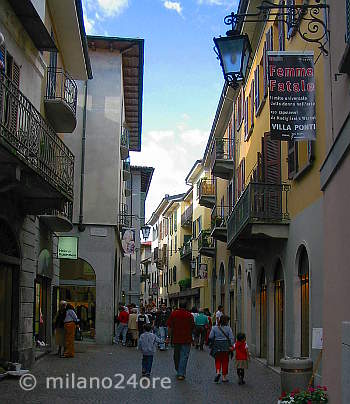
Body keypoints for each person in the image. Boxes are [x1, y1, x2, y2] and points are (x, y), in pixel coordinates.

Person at [167, 301, 195, 380]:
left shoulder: (174, 314)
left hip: (176, 338)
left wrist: (168, 336)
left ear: (179, 306)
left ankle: (178, 369)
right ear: (186, 306)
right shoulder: (189, 315)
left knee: (176, 355)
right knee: (184, 356)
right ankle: (181, 373)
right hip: (187, 338)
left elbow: (169, 326)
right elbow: (193, 327)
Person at [208, 315, 234, 383]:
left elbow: (210, 337)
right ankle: (224, 377)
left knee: (218, 360)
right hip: (226, 346)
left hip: (217, 345)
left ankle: (218, 372)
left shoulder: (214, 328)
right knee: (225, 361)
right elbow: (231, 338)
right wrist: (231, 346)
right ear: (226, 321)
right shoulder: (228, 328)